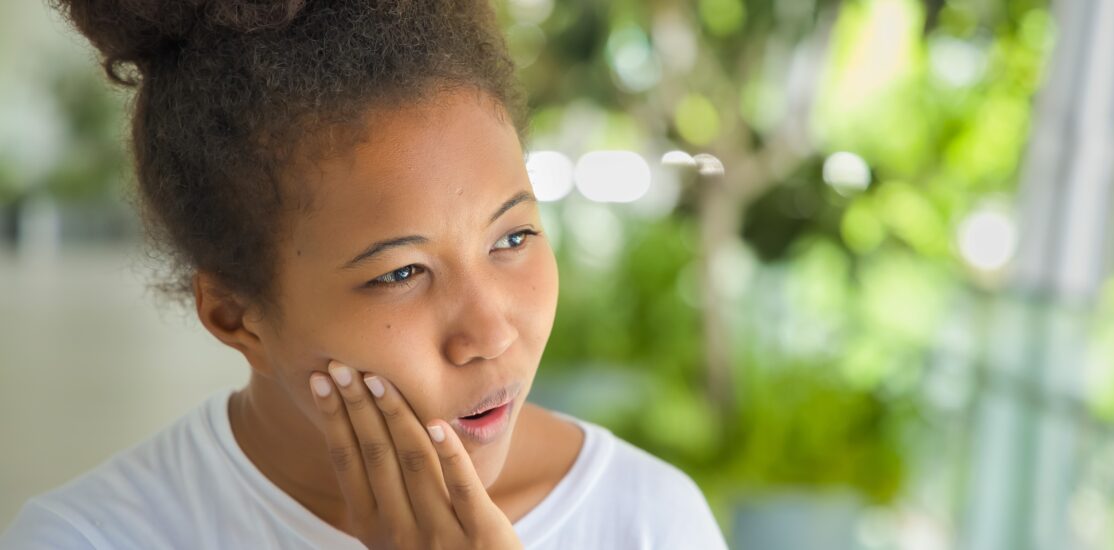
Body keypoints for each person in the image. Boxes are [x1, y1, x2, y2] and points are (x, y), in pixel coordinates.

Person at [0, 0, 728, 548]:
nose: (490, 332)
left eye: (512, 236)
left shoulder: (647, 518)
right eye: (403, 271)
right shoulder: (92, 537)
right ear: (235, 316)